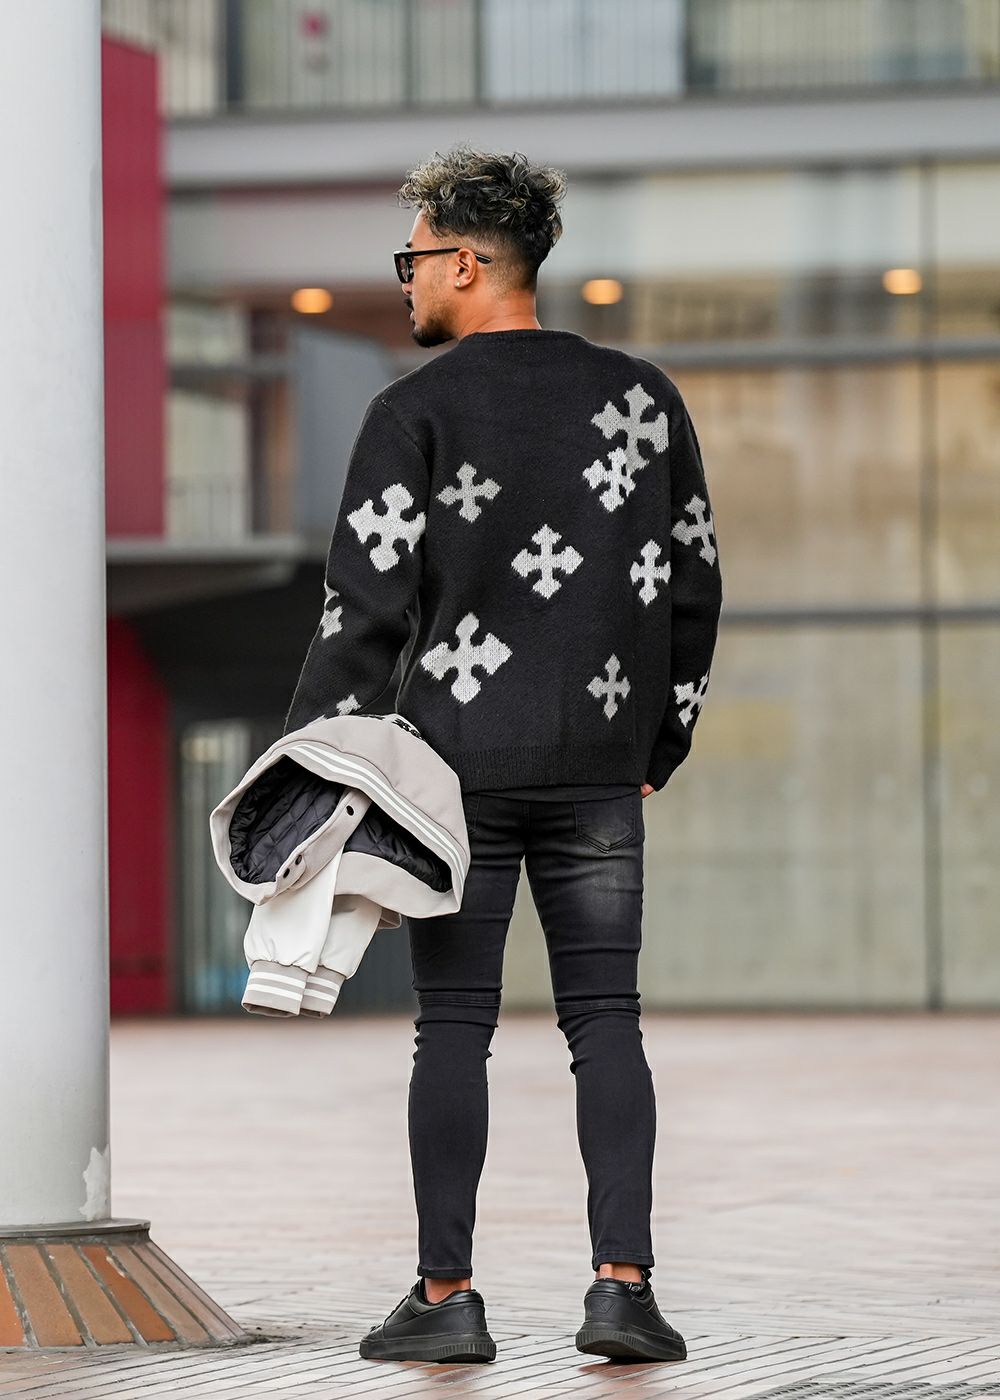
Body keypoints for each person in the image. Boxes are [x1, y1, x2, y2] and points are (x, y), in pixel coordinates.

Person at [281, 142, 723, 1365]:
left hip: (453, 774)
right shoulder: (639, 399)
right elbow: (694, 582)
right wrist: (660, 736)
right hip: (597, 768)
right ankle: (622, 1290)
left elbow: (362, 613)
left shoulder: (412, 412)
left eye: (416, 257)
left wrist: (308, 758)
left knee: (454, 1025)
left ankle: (447, 1295)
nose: (408, 279)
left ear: (469, 263)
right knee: (606, 1017)